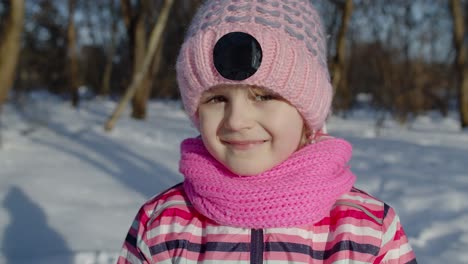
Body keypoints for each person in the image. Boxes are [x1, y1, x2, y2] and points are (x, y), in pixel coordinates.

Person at [117, 0, 417, 263]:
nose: (236, 121)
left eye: (264, 96)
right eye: (217, 98)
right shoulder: (162, 224)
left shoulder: (368, 231)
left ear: (306, 110)